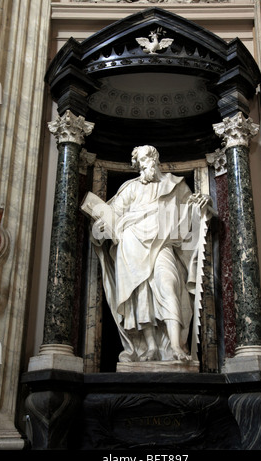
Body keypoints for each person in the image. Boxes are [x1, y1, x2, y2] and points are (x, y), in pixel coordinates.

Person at [91, 145, 213, 364]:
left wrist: (204, 203)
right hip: (132, 246)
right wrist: (101, 226)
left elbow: (191, 211)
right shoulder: (130, 188)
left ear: (156, 159)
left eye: (147, 157)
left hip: (163, 244)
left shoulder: (175, 184)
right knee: (141, 296)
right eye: (139, 160)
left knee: (168, 285)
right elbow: (112, 216)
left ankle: (176, 345)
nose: (144, 163)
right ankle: (151, 347)